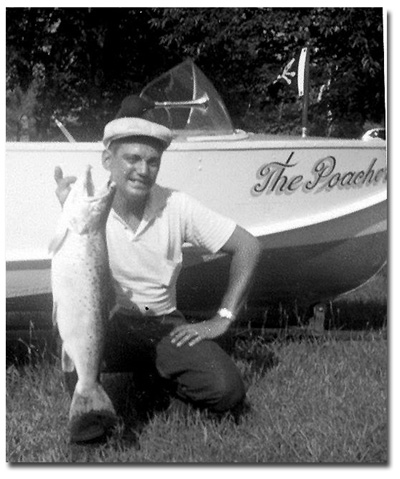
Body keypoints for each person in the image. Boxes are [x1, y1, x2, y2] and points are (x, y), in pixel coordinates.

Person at [54, 115, 261, 434]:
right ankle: (91, 421)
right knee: (73, 348)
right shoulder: (87, 206)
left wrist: (223, 316)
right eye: (132, 159)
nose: (142, 170)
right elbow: (67, 263)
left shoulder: (177, 205)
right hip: (110, 321)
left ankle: (156, 381)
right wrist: (66, 207)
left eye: (153, 161)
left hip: (163, 324)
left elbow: (248, 246)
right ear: (108, 160)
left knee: (228, 392)